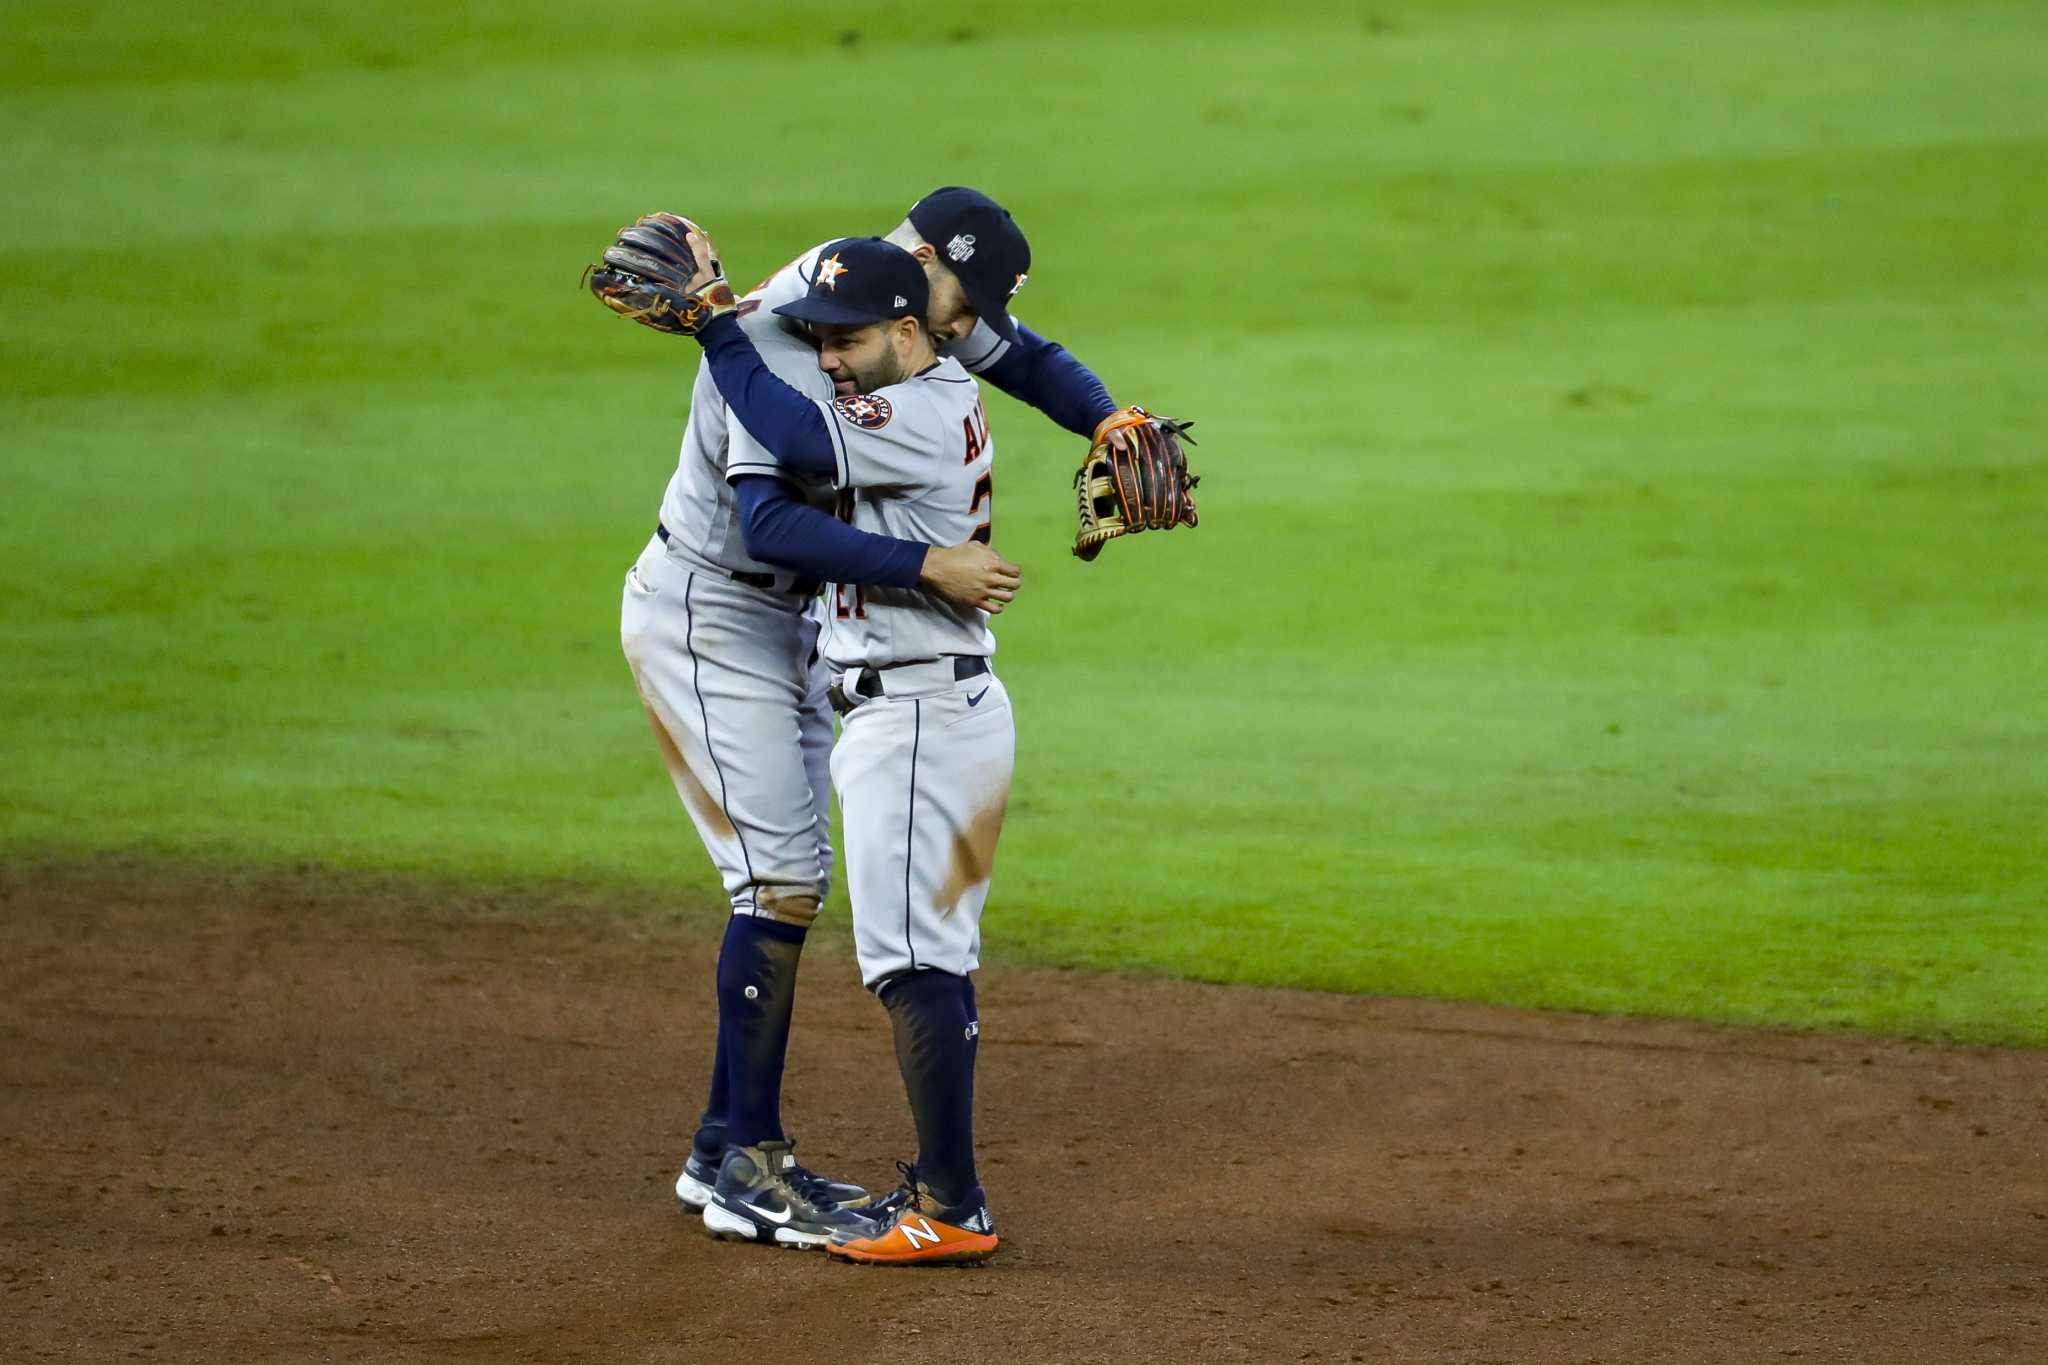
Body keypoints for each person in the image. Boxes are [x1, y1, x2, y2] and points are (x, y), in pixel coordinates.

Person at [620, 188, 1119, 1249]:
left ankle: (727, 1145)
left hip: (808, 628)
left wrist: (1107, 417)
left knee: (798, 883)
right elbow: (770, 518)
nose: (958, 331)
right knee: (780, 878)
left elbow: (1026, 358)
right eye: (955, 304)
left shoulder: (903, 312)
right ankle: (741, 1159)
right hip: (714, 608)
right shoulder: (787, 338)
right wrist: (926, 564)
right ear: (916, 269)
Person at [683, 231, 1009, 1264]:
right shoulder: (916, 396)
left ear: (907, 331)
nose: (826, 359)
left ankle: (951, 1208)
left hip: (917, 712)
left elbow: (786, 433)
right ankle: (943, 1196)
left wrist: (711, 327)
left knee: (913, 963)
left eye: (847, 341)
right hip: (903, 706)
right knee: (914, 957)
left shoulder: (916, 410)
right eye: (817, 341)